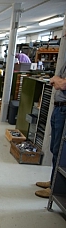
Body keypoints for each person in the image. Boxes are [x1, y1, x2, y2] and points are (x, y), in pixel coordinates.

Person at [35, 61, 66, 198]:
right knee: (55, 148)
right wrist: (57, 79)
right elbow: (57, 81)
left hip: (64, 109)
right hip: (58, 107)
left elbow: (62, 84)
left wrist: (56, 80)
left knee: (60, 149)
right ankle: (53, 181)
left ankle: (55, 188)